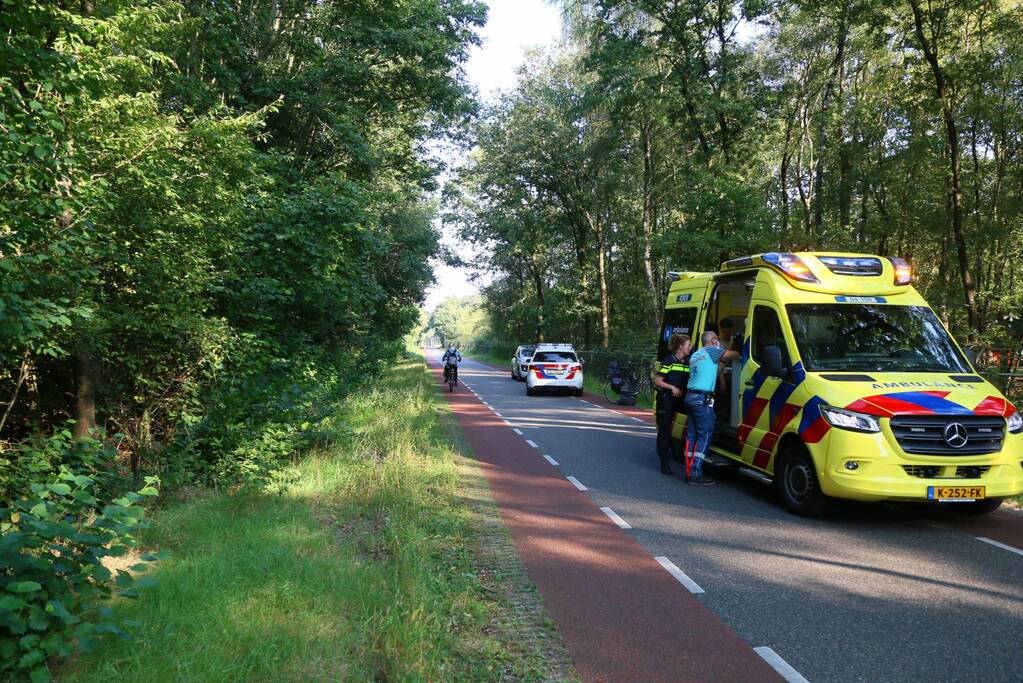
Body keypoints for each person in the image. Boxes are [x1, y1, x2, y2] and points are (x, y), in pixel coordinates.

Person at [684, 330, 740, 485]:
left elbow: (711, 373)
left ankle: (688, 472)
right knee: (705, 435)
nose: (719, 341)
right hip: (702, 399)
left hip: (691, 397)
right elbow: (735, 355)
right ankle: (696, 474)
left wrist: (721, 363)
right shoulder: (712, 351)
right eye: (717, 339)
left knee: (691, 435)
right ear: (713, 341)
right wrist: (735, 347)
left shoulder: (696, 355)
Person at [652, 333, 692, 476]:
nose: (691, 347)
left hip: (681, 400)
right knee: (665, 429)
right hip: (667, 399)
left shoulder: (687, 362)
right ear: (681, 347)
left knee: (681, 428)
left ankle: (677, 453)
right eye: (689, 345)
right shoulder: (668, 361)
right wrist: (672, 388)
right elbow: (657, 380)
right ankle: (664, 461)